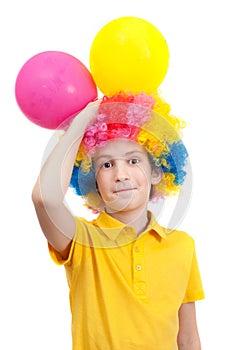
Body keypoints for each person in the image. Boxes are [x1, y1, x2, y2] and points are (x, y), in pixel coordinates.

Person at [32, 92, 204, 350]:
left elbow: (188, 338)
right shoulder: (81, 240)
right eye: (106, 165)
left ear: (156, 171)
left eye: (133, 160)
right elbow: (45, 198)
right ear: (94, 182)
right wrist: (81, 123)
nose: (121, 174)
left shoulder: (182, 245)